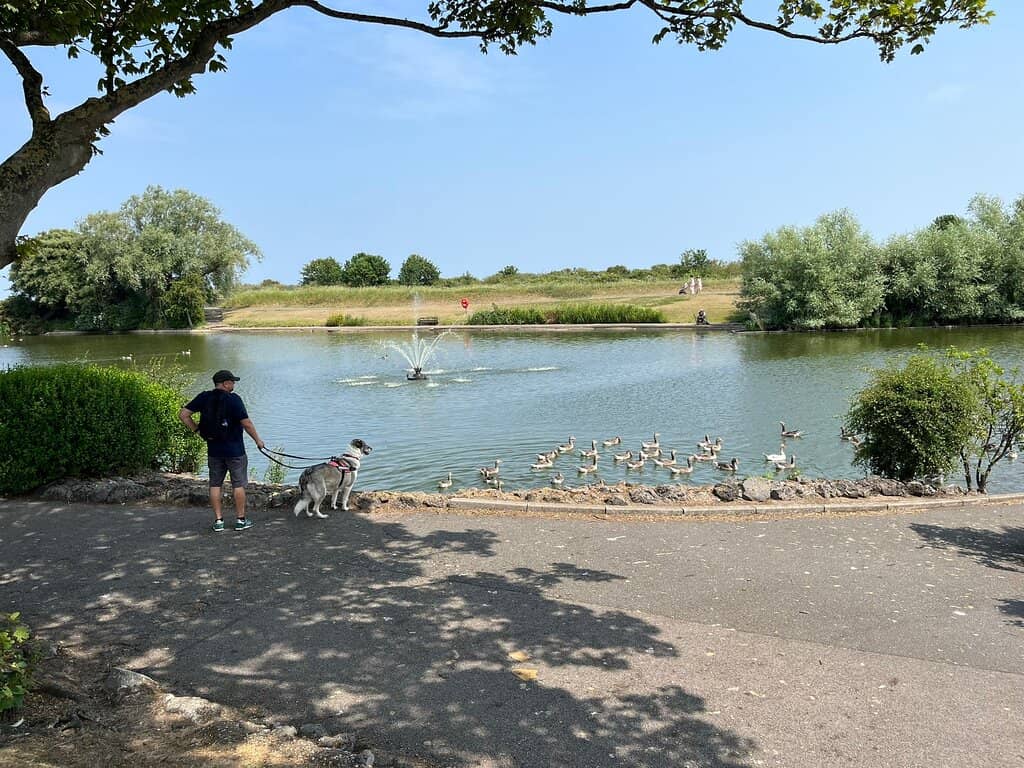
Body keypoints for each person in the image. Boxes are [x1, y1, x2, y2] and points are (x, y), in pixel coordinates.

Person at [179, 370, 265, 532]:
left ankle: (219, 521)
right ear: (225, 383)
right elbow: (246, 423)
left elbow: (183, 415)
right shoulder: (234, 400)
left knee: (215, 484)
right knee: (238, 484)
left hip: (214, 450)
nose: (234, 385)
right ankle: (240, 520)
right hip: (235, 450)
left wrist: (197, 431)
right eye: (232, 382)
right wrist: (258, 441)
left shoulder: (204, 397)